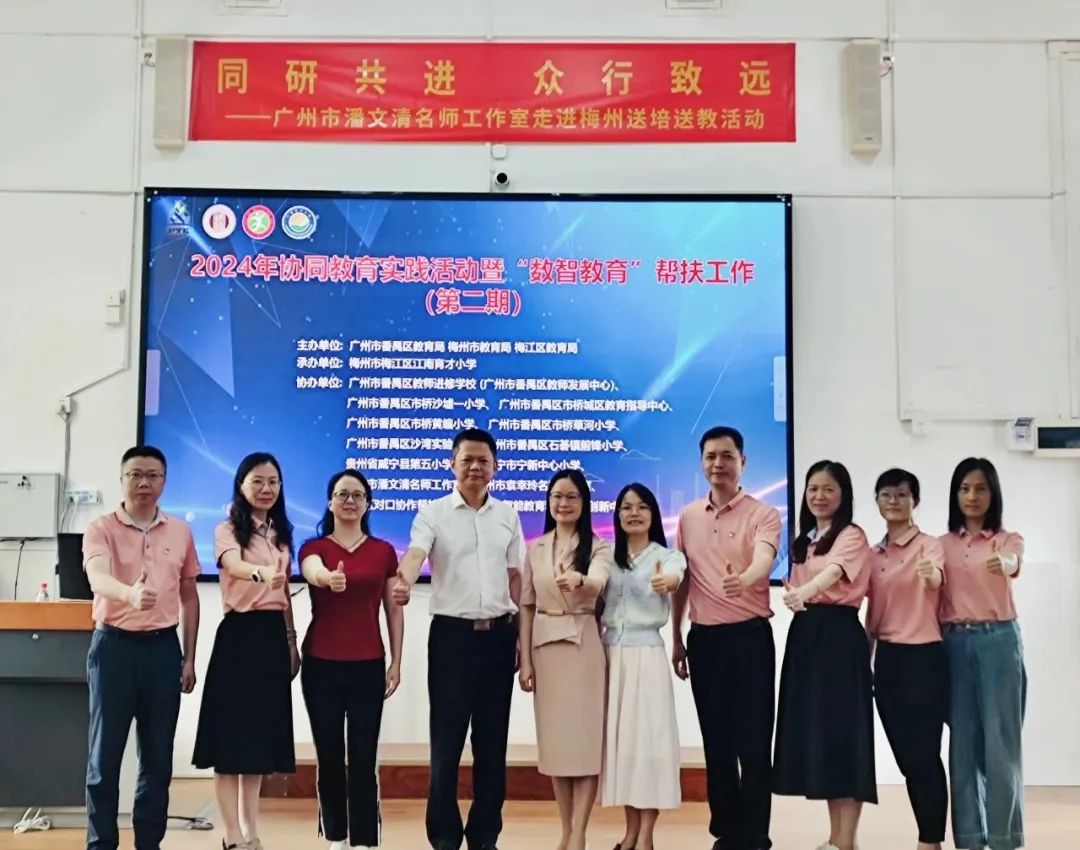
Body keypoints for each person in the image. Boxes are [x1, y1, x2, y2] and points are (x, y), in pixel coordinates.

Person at [393, 428, 525, 850]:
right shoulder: (433, 513)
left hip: (499, 637)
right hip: (452, 639)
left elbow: (516, 576)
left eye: (483, 460)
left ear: (495, 467)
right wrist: (403, 580)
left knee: (492, 744)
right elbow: (416, 554)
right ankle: (444, 836)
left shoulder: (508, 515)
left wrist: (523, 635)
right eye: (467, 459)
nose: (475, 467)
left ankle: (485, 836)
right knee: (446, 743)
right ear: (451, 464)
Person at [82, 445, 201, 850]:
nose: (144, 482)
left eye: (153, 475)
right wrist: (128, 595)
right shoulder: (101, 527)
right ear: (122, 480)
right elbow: (97, 577)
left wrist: (189, 657)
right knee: (104, 756)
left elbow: (189, 596)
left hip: (163, 650)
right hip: (113, 647)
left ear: (164, 481)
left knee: (157, 757)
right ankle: (101, 843)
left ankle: (149, 842)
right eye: (135, 474)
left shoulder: (180, 531)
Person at [672, 426, 781, 850]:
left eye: (727, 456)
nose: (718, 464)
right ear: (702, 463)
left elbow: (765, 558)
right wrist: (677, 636)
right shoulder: (688, 517)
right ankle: (727, 831)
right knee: (716, 742)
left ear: (743, 462)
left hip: (750, 639)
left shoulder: (763, 513)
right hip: (705, 641)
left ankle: (755, 835)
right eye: (711, 456)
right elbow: (684, 580)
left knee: (753, 742)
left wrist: (746, 579)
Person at [193, 452, 299, 850]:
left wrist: (291, 639)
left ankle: (251, 832)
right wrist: (261, 573)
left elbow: (284, 592)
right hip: (238, 637)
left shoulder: (281, 533)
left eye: (273, 481)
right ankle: (232, 836)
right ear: (241, 485)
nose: (266, 488)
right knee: (229, 742)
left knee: (256, 745)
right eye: (258, 481)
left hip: (272, 637)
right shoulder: (227, 530)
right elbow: (233, 565)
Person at [773, 460, 875, 850]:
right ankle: (837, 838)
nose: (819, 496)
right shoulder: (805, 540)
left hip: (838, 638)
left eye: (828, 489)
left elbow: (833, 574)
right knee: (823, 738)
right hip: (806, 638)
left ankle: (846, 840)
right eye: (813, 488)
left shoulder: (852, 535)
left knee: (844, 737)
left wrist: (804, 592)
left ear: (843, 495)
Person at [299, 470, 404, 850]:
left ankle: (363, 839)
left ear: (368, 504)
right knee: (328, 754)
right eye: (342, 494)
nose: (349, 501)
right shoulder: (314, 547)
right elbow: (312, 570)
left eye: (357, 495)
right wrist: (327, 578)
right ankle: (336, 836)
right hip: (320, 664)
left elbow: (393, 609)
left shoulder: (383, 551)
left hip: (368, 663)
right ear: (330, 502)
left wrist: (396, 662)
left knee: (363, 756)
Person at [517, 469, 612, 850]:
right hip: (546, 649)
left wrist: (580, 581)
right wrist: (525, 660)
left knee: (584, 744)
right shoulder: (536, 547)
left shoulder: (599, 547)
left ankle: (579, 833)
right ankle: (565, 828)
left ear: (584, 502)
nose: (563, 503)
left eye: (572, 496)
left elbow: (599, 581)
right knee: (557, 746)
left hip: (583, 645)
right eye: (557, 496)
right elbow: (526, 605)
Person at [939, 458, 1026, 850]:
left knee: (1000, 743)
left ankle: (1005, 838)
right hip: (954, 644)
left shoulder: (1007, 539)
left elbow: (1014, 561)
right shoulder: (941, 544)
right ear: (955, 494)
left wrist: (1006, 562)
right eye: (964, 488)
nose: (972, 496)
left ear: (993, 494)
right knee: (962, 745)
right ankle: (970, 838)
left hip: (998, 641)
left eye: (981, 488)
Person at [865, 468, 948, 850]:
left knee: (924, 756)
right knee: (906, 758)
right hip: (888, 660)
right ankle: (929, 835)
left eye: (902, 494)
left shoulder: (930, 546)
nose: (894, 501)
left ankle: (930, 841)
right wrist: (865, 659)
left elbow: (935, 579)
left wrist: (930, 576)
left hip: (924, 659)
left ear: (915, 501)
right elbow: (873, 613)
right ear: (877, 501)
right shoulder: (873, 554)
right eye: (886, 494)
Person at [601, 483, 685, 850]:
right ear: (617, 515)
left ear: (653, 513)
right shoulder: (606, 556)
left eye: (642, 507)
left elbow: (675, 575)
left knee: (649, 745)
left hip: (646, 656)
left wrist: (667, 581)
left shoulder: (667, 556)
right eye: (626, 507)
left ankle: (647, 835)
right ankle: (630, 832)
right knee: (623, 747)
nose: (633, 513)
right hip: (610, 656)